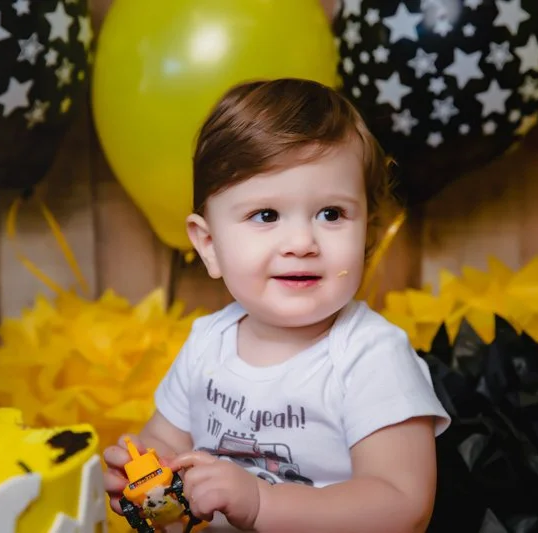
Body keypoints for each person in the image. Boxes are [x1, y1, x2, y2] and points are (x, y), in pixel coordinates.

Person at [103, 78, 451, 532]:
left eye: (332, 214)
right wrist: (143, 469)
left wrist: (262, 503)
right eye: (266, 215)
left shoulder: (372, 356)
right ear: (209, 245)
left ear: (366, 231)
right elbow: (167, 439)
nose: (302, 243)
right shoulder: (207, 344)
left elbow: (402, 506)